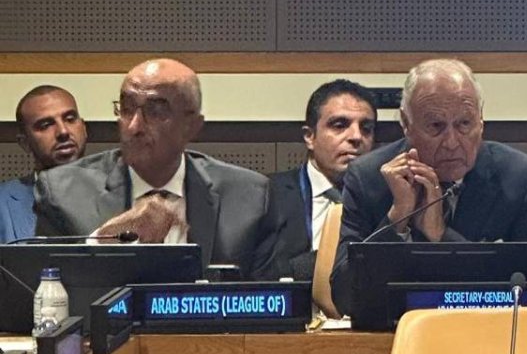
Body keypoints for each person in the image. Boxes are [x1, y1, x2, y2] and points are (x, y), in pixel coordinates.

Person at [331, 59, 527, 315]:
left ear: (481, 121)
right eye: (436, 126)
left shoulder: (522, 181)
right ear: (406, 124)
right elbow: (344, 298)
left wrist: (441, 236)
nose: (451, 142)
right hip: (395, 334)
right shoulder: (369, 178)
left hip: (487, 333)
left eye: (464, 124)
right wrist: (397, 218)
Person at [33, 58, 278, 276]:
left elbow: (271, 301)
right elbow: (42, 288)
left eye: (156, 111)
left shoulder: (249, 198)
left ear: (192, 126)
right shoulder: (63, 193)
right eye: (126, 109)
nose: (134, 127)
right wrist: (107, 240)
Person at [267, 79, 378, 280]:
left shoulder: (387, 199)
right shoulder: (268, 195)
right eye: (340, 125)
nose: (356, 136)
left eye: (366, 128)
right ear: (310, 137)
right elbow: (258, 273)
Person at [0, 85, 89, 242]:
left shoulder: (121, 197)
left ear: (84, 128)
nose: (63, 132)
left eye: (70, 119)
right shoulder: (3, 204)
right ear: (25, 142)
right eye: (46, 125)